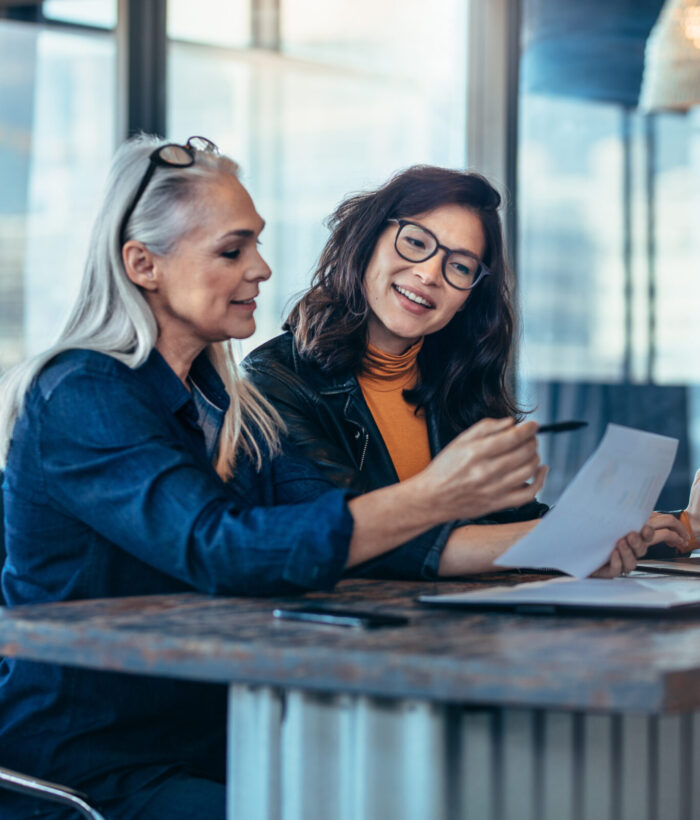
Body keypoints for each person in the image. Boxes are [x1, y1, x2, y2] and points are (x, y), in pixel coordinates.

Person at [0, 135, 557, 820]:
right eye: (233, 250)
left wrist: (577, 543)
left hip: (214, 734)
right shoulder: (82, 393)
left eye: (257, 244)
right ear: (143, 265)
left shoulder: (233, 406)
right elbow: (221, 547)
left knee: (429, 792)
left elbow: (340, 527)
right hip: (97, 762)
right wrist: (435, 494)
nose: (262, 268)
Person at [243, 165, 688, 574]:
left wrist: (648, 531)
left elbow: (509, 522)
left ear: (470, 295)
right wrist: (567, 541)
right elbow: (354, 539)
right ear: (366, 241)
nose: (430, 274)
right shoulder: (274, 380)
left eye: (459, 266)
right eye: (416, 242)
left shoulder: (456, 381)